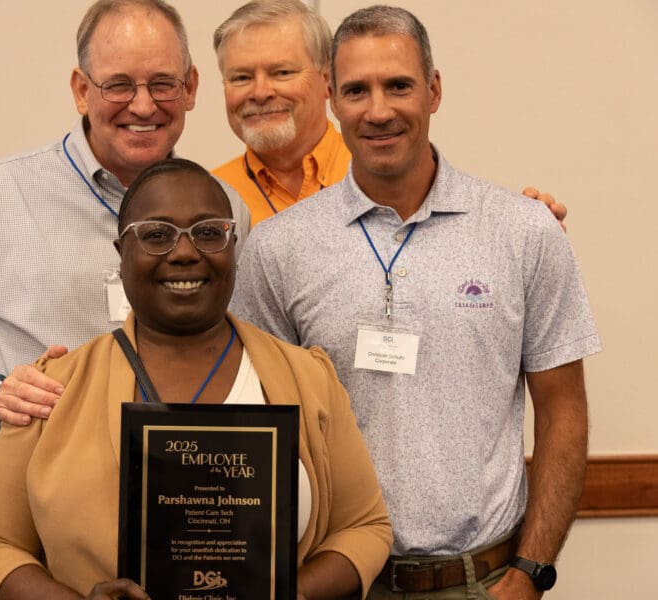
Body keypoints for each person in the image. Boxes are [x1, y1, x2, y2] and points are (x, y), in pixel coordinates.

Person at [230, 6, 601, 599]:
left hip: (483, 580)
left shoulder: (522, 231)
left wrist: (531, 574)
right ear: (331, 97)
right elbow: (254, 427)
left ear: (434, 90)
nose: (378, 111)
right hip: (336, 581)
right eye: (357, 90)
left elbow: (564, 411)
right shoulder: (278, 249)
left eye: (398, 85)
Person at [0, 158, 393, 600]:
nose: (185, 251)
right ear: (121, 253)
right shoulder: (51, 388)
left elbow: (364, 527)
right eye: (156, 234)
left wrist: (289, 594)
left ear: (232, 246)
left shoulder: (307, 378)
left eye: (208, 232)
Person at [0, 0, 251, 468]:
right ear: (82, 91)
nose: (144, 105)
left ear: (191, 88)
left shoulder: (226, 213)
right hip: (39, 502)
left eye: (163, 83)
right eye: (118, 85)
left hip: (189, 495)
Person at [210, 0, 567, 228]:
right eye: (241, 77)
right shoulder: (207, 198)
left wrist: (523, 232)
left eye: (282, 72)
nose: (260, 92)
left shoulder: (387, 163)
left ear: (326, 82)